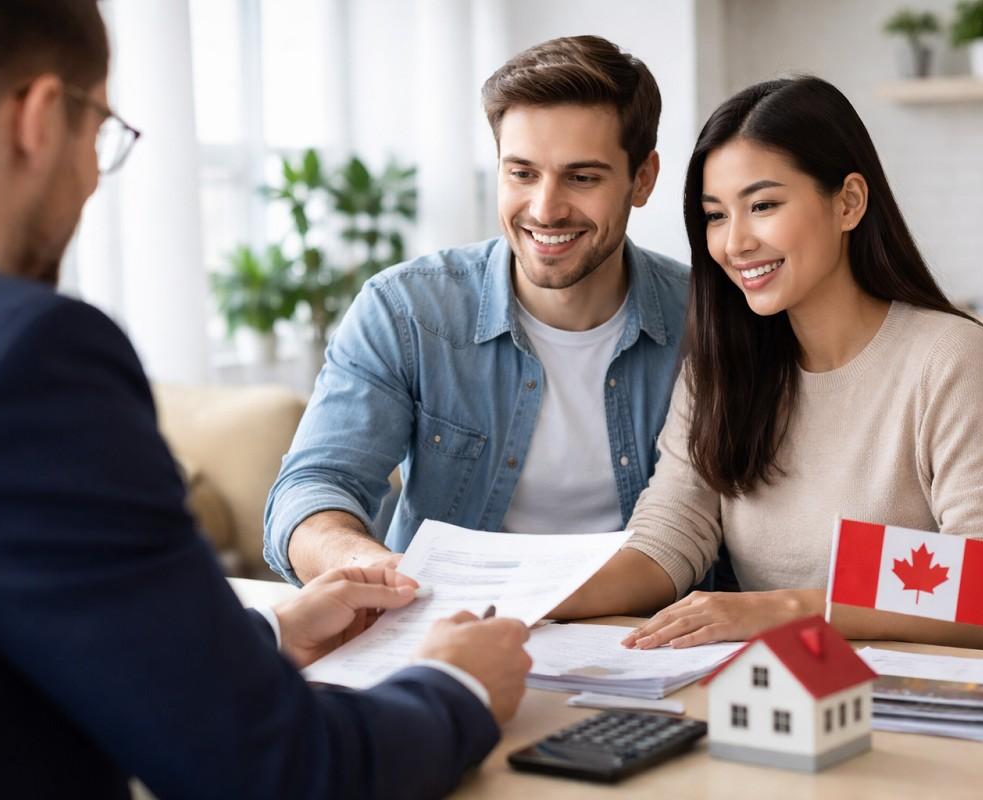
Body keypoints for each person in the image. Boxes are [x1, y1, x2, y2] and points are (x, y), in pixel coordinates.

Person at [0, 2, 531, 798]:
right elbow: (274, 769)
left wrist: (265, 630)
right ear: (41, 115)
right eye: (100, 133)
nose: (94, 177)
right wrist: (457, 687)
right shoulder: (23, 357)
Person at [556, 76, 983, 655]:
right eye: (716, 216)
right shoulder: (724, 366)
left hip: (954, 702)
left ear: (849, 203)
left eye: (763, 205)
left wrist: (780, 610)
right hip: (800, 692)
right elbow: (668, 539)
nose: (735, 243)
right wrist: (519, 596)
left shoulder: (950, 359)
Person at [264, 35, 690, 587]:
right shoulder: (407, 311)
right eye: (522, 173)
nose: (545, 208)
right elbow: (312, 486)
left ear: (643, 179)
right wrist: (373, 567)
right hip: (446, 627)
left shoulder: (706, 319)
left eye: (582, 178)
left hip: (639, 637)